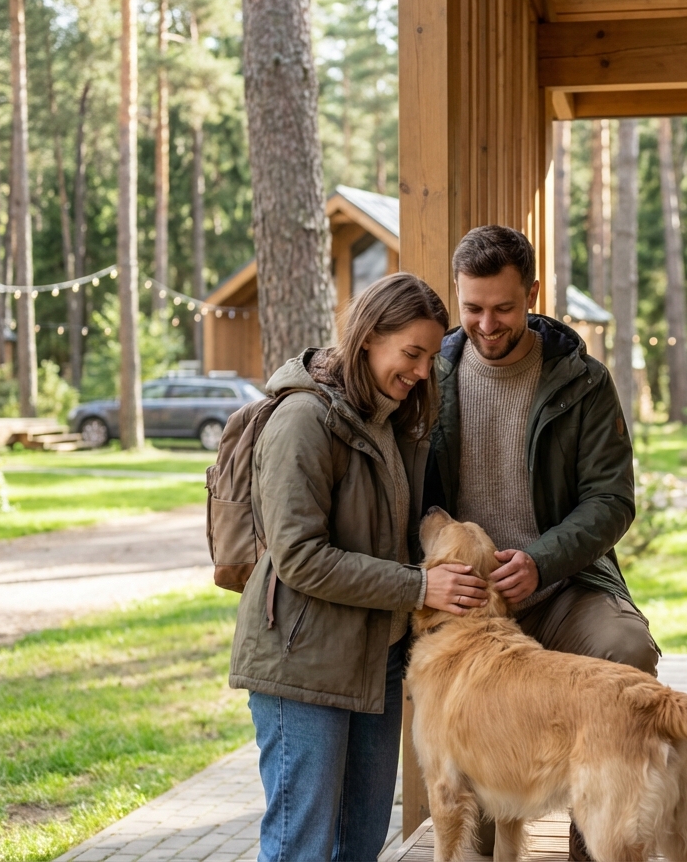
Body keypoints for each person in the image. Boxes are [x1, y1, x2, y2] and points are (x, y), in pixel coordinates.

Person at [229, 272, 490, 862]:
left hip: (375, 661)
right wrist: (421, 584)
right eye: (413, 353)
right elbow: (299, 556)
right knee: (303, 846)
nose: (424, 370)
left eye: (430, 356)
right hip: (304, 665)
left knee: (360, 846)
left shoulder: (393, 419)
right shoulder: (302, 421)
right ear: (369, 337)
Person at [424, 225, 659, 862]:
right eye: (472, 308)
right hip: (467, 599)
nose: (486, 324)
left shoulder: (583, 381)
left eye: (503, 308)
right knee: (456, 733)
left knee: (626, 649)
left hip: (562, 585)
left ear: (532, 293)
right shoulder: (431, 379)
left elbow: (612, 500)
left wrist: (542, 560)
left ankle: (594, 849)